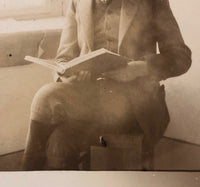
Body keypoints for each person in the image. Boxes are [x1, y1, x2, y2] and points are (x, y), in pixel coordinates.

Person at [22, 0, 191, 170]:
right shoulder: (78, 2)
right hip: (89, 101)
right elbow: (63, 59)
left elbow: (181, 57)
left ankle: (25, 179)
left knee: (47, 98)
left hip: (134, 105)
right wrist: (69, 75)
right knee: (59, 140)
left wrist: (142, 68)